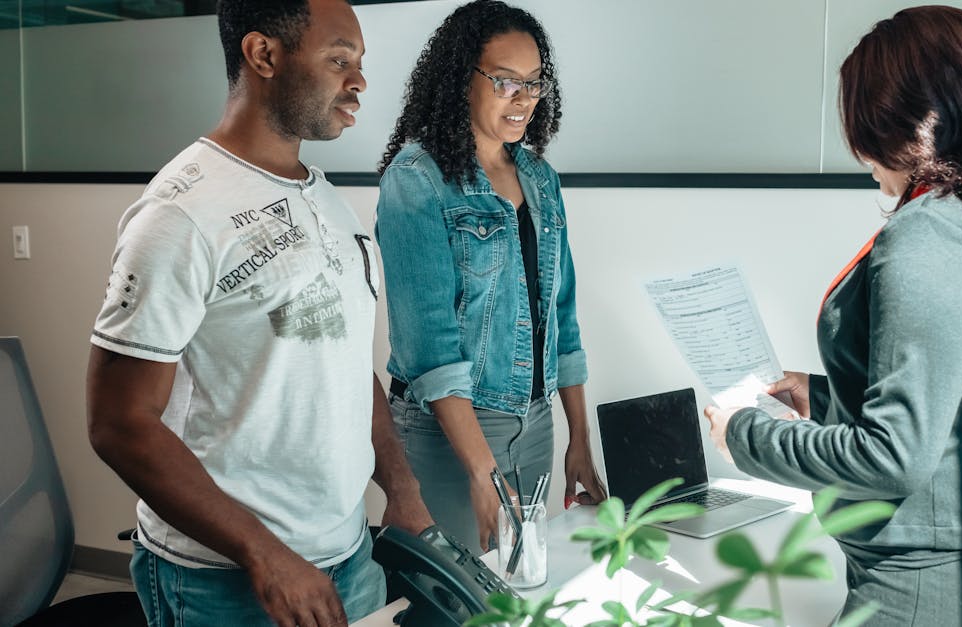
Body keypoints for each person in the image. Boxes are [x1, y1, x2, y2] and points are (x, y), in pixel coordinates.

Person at [703, 6, 962, 625]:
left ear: (899, 117)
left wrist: (744, 436)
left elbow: (894, 457)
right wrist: (821, 398)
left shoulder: (929, 236)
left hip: (931, 585)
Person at [86, 0, 434, 625]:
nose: (358, 82)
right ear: (264, 54)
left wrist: (401, 489)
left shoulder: (322, 196)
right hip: (226, 579)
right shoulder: (179, 213)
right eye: (338, 60)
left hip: (347, 557)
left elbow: (346, 362)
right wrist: (265, 555)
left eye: (359, 63)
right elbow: (118, 423)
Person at [374, 0, 606, 554]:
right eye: (505, 81)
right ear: (460, 80)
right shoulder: (416, 180)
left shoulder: (540, 178)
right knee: (456, 604)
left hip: (536, 423)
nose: (523, 99)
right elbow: (428, 347)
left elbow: (562, 317)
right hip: (450, 433)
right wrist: (480, 471)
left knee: (521, 592)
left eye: (534, 82)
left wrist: (579, 438)